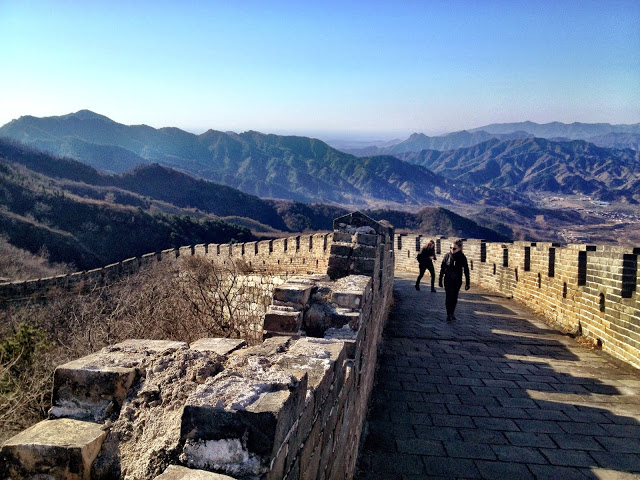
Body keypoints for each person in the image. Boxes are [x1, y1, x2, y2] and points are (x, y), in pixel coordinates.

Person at [438, 239, 470, 321]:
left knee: (454, 297)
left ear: (459, 248)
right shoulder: (447, 256)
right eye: (451, 248)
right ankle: (448, 313)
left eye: (454, 248)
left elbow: (466, 270)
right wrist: (440, 279)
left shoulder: (462, 257)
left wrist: (467, 283)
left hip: (457, 280)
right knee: (448, 296)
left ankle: (452, 312)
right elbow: (442, 268)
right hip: (448, 279)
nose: (452, 250)